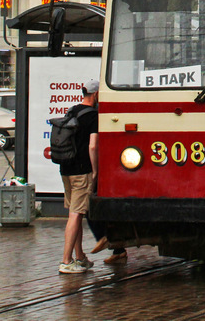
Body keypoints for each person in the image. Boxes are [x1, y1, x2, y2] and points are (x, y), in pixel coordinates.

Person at [58, 80, 124, 272]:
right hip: (82, 170)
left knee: (74, 213)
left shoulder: (72, 111)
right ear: (96, 95)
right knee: (76, 214)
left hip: (66, 168)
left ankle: (80, 257)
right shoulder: (94, 116)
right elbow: (93, 145)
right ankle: (66, 261)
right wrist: (95, 170)